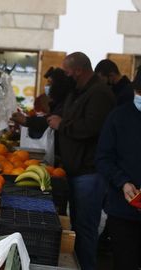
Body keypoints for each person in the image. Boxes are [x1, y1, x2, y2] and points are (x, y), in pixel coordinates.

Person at [47, 52, 115, 270]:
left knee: (85, 228)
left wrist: (62, 125)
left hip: (89, 172)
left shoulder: (100, 94)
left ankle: (87, 266)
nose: (65, 75)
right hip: (76, 170)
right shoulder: (78, 91)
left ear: (78, 70)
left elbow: (92, 127)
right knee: (78, 225)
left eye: (67, 71)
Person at [95, 67, 141, 270]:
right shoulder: (118, 117)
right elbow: (103, 158)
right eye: (138, 93)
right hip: (123, 210)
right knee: (125, 262)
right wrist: (122, 182)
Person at [11, 67, 75, 141]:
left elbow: (49, 122)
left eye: (50, 83)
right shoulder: (58, 102)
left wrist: (26, 120)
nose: (47, 86)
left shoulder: (66, 104)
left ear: (59, 86)